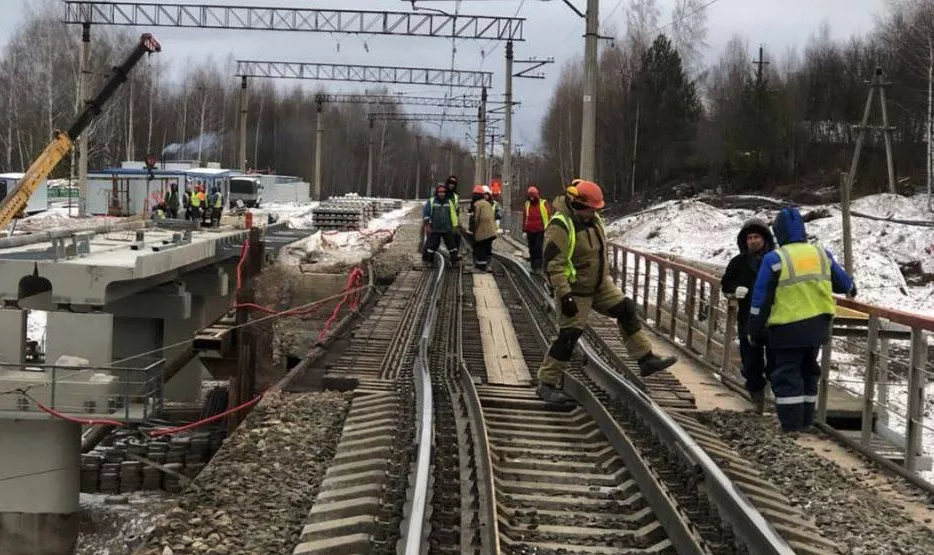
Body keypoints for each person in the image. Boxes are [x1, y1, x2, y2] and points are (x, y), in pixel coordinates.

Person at [537, 180, 677, 404]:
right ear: (576, 204)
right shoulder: (560, 226)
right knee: (569, 335)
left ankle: (645, 359)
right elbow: (553, 265)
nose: (595, 212)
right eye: (591, 208)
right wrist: (565, 295)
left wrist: (604, 279)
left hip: (600, 285)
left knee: (626, 309)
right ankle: (547, 383)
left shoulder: (593, 220)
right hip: (576, 290)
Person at [748, 207, 856, 433]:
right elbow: (843, 283)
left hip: (786, 328)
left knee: (786, 374)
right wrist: (851, 288)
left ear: (778, 233)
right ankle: (807, 421)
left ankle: (791, 425)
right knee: (809, 371)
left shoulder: (775, 259)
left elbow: (760, 298)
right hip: (817, 327)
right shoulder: (821, 254)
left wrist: (754, 329)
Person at [720, 218, 776, 414]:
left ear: (765, 239)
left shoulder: (777, 261)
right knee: (751, 363)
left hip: (774, 319)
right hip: (747, 320)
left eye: (756, 237)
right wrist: (734, 291)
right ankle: (757, 400)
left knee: (776, 363)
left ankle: (778, 403)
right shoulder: (738, 262)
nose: (753, 241)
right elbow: (725, 284)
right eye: (749, 238)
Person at [422, 185, 460, 268]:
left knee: (452, 246)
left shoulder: (449, 202)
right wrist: (427, 225)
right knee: (431, 247)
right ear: (437, 192)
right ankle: (429, 262)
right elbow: (426, 214)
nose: (442, 193)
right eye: (440, 192)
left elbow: (453, 215)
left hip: (447, 228)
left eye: (443, 192)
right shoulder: (431, 201)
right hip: (435, 228)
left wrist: (454, 227)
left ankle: (454, 262)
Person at [522, 186, 551, 272]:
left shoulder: (543, 203)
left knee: (538, 247)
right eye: (530, 196)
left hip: (540, 230)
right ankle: (533, 265)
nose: (531, 198)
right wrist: (524, 229)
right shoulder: (527, 204)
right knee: (531, 248)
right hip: (530, 230)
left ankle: (538, 266)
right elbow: (525, 217)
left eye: (533, 196)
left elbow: (548, 216)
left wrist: (548, 228)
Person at [468, 187, 497, 272]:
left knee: (479, 248)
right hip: (491, 231)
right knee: (488, 248)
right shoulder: (488, 204)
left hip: (482, 232)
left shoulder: (476, 205)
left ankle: (481, 267)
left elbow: (475, 219)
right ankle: (488, 265)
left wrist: (472, 230)